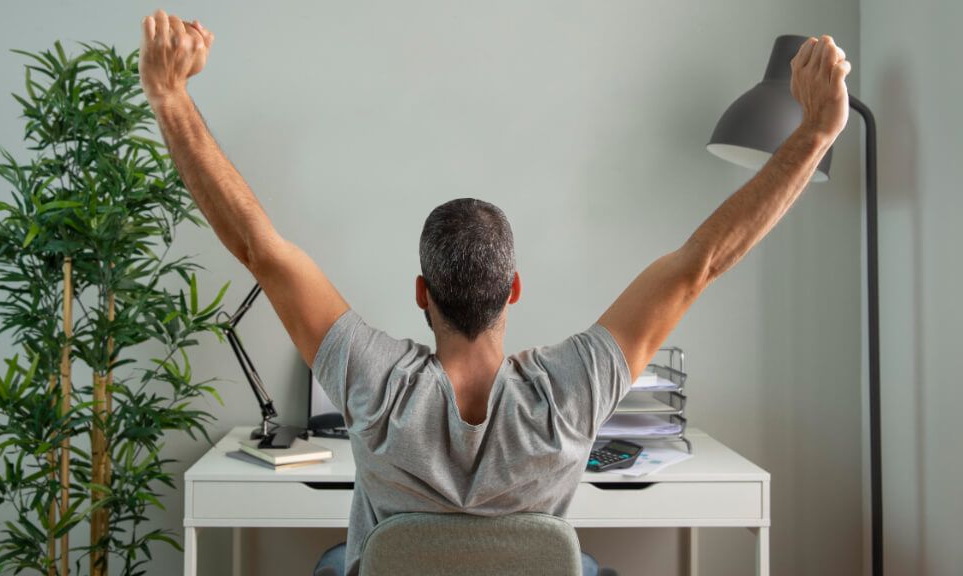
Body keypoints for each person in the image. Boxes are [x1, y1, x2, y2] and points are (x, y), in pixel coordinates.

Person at [138, 11, 851, 576]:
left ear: (422, 292)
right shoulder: (572, 390)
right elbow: (703, 263)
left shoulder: (371, 381)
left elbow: (259, 248)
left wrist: (169, 95)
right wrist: (816, 130)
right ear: (513, 288)